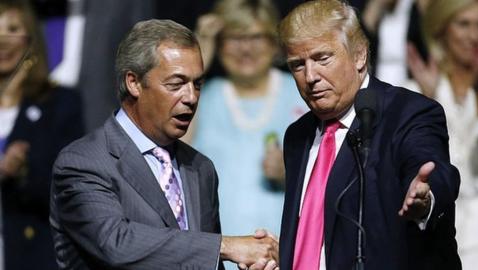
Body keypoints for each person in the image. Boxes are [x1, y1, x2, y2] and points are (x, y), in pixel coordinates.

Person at [49, 19, 279, 270]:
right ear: (133, 82)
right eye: (176, 84)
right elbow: (116, 244)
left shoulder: (200, 168)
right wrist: (225, 246)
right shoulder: (85, 162)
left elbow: (199, 260)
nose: (191, 97)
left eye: (197, 84)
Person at [277, 1, 461, 269]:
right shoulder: (297, 136)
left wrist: (425, 198)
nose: (310, 76)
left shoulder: (408, 112)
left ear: (359, 55)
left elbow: (433, 169)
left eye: (322, 58)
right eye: (297, 65)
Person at [188, 0, 306, 255]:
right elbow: (170, 159)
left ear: (274, 42)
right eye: (234, 38)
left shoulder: (302, 92)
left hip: (288, 251)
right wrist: (196, 65)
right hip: (218, 252)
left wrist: (294, 171)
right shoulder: (200, 97)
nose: (245, 49)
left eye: (256, 37)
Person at [0, 0, 84, 269]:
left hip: (30, 253)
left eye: (12, 28)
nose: (3, 40)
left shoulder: (60, 104)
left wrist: (22, 171)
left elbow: (71, 187)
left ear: (31, 38)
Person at [406, 0, 478, 268]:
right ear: (441, 30)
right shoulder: (415, 89)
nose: (475, 36)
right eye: (464, 24)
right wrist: (429, 99)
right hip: (438, 234)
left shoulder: (476, 94)